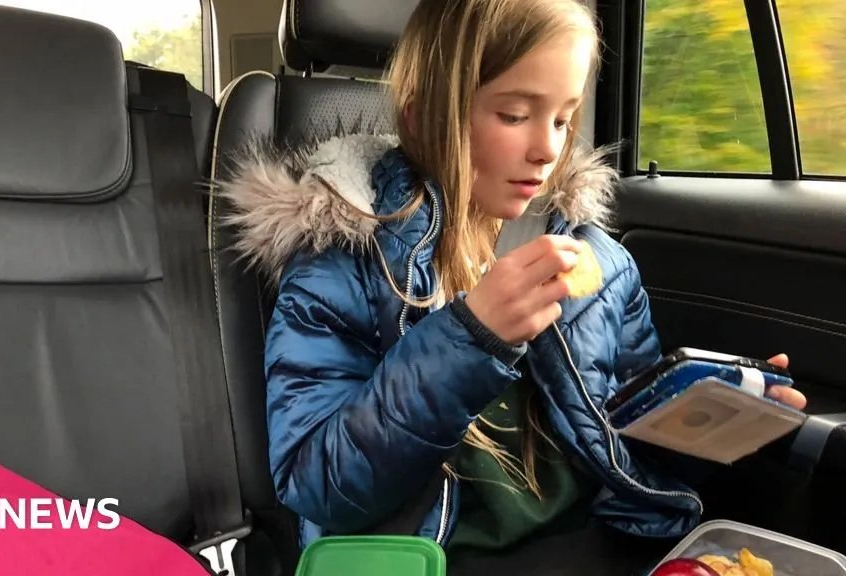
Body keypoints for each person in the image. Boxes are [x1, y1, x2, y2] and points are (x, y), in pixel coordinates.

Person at [216, 0, 808, 569]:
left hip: (597, 539)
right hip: (437, 557)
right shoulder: (344, 261)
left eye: (562, 118)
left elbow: (626, 442)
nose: (548, 148)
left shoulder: (597, 261)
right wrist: (470, 338)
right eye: (515, 115)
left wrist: (718, 420)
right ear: (423, 118)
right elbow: (318, 481)